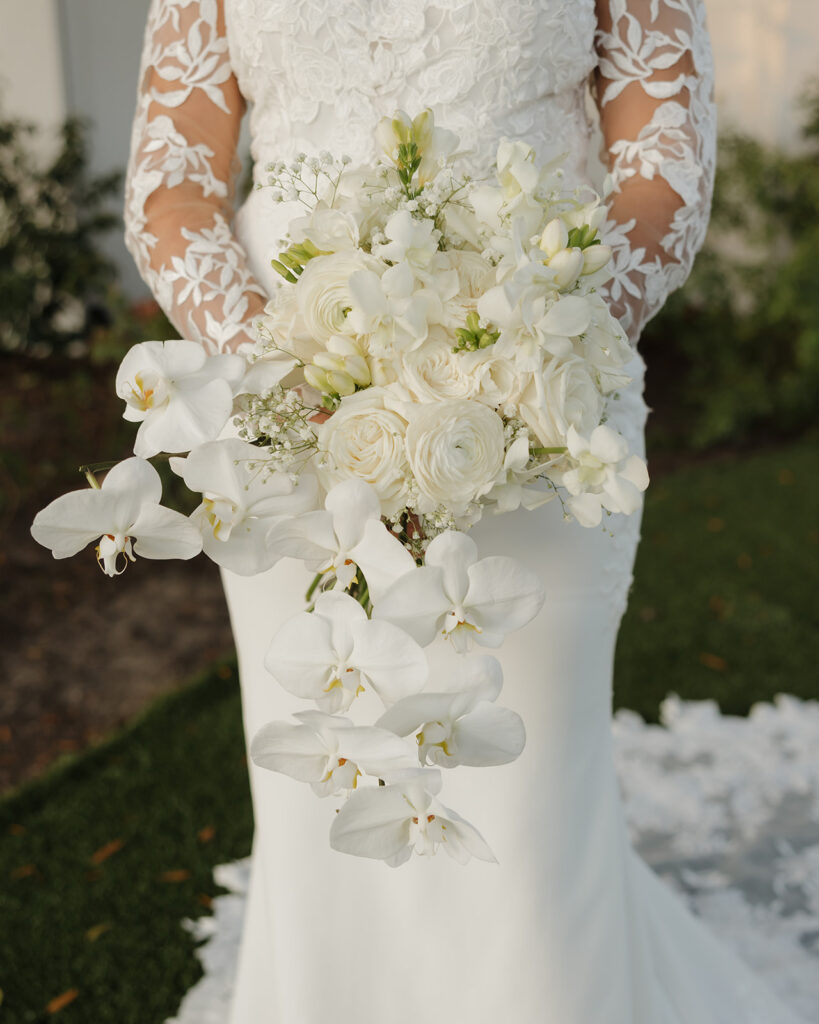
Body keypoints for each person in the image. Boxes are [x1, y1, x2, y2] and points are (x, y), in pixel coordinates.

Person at [124, 2, 807, 1022]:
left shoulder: (545, 369)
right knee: (329, 776)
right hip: (285, 411)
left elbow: (663, 161)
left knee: (526, 790)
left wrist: (538, 353)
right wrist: (281, 373)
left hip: (548, 396)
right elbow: (172, 186)